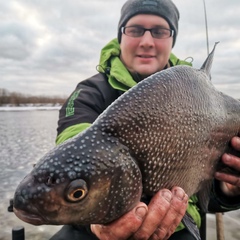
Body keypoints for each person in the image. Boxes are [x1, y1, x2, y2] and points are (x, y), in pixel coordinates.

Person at [51, 0, 240, 239]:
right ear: (120, 35)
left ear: (172, 39)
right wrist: (95, 221)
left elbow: (207, 196)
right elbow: (72, 151)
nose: (147, 41)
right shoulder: (89, 94)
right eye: (136, 29)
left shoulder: (199, 97)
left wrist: (229, 190)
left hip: (182, 226)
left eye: (160, 31)